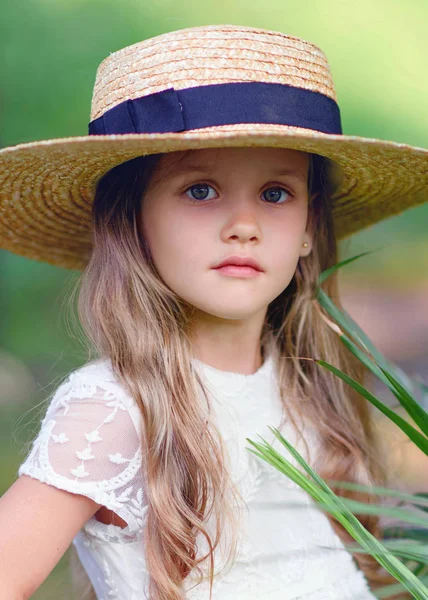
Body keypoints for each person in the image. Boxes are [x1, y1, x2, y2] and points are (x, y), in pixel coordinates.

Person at [0, 23, 426, 600]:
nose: (244, 226)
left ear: (308, 227)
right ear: (132, 220)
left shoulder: (308, 388)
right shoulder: (116, 410)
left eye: (276, 193)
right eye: (200, 190)